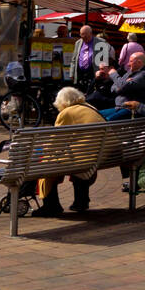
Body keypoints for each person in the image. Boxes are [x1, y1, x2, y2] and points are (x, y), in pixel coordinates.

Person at [35, 85, 106, 216]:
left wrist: (44, 149)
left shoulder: (66, 113)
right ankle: (81, 201)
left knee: (46, 163)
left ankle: (51, 206)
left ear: (62, 102)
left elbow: (55, 142)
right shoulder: (90, 107)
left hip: (86, 157)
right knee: (79, 158)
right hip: (103, 155)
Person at [98, 52, 145, 121]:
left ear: (139, 62)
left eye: (131, 61)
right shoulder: (130, 72)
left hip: (131, 110)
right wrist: (122, 85)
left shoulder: (144, 75)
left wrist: (114, 74)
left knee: (106, 120)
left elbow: (122, 86)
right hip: (119, 107)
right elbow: (113, 87)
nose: (128, 64)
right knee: (96, 114)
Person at [69, 24, 112, 94]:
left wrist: (102, 72)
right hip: (80, 75)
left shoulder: (101, 42)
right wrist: (72, 73)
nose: (84, 38)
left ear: (91, 34)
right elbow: (73, 60)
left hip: (94, 74)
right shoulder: (78, 43)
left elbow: (105, 61)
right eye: (82, 36)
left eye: (86, 36)